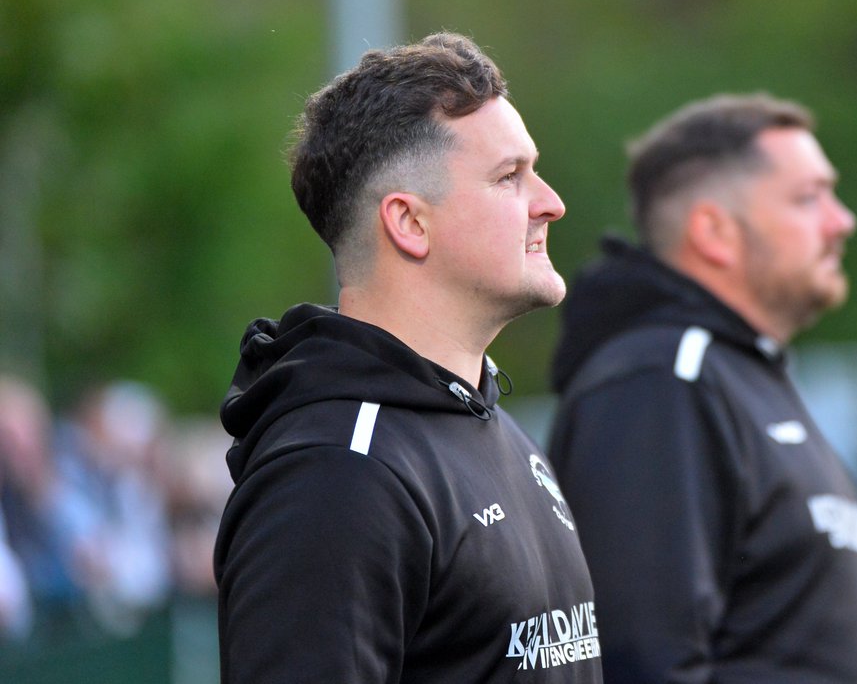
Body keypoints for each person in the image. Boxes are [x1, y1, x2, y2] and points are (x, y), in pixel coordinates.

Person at [215, 33, 602, 683]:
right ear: (409, 223)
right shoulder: (336, 477)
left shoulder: (497, 429)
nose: (550, 203)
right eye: (511, 176)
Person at [548, 94, 857, 682]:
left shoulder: (739, 374)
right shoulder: (663, 382)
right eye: (809, 198)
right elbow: (642, 660)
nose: (842, 221)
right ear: (714, 231)